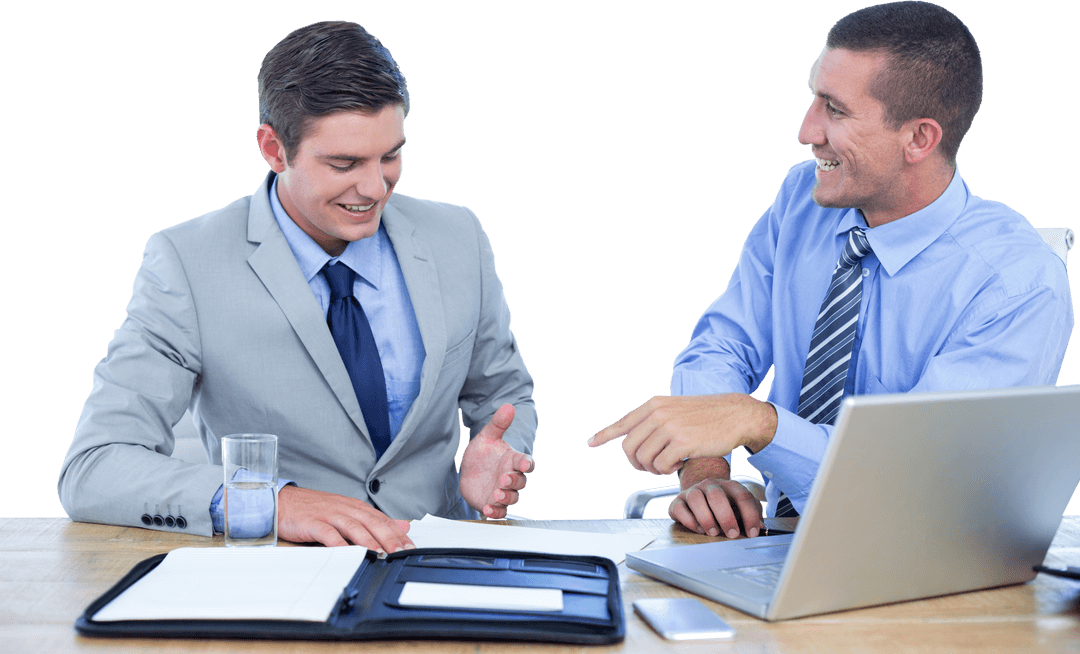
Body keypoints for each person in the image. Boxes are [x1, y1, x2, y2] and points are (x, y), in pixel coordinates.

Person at [589, 1, 1072, 539]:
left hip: (916, 557)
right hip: (778, 542)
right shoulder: (804, 198)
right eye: (813, 99)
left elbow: (918, 485)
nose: (806, 130)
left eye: (834, 110)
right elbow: (726, 343)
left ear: (919, 138)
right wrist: (707, 468)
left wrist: (760, 424)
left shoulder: (1015, 284)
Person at [58, 21, 537, 551]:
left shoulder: (458, 237)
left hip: (436, 563)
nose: (375, 188)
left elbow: (503, 393)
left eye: (390, 155)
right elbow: (94, 467)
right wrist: (270, 500)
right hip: (279, 576)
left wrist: (498, 459)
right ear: (273, 148)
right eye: (344, 163)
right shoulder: (187, 263)